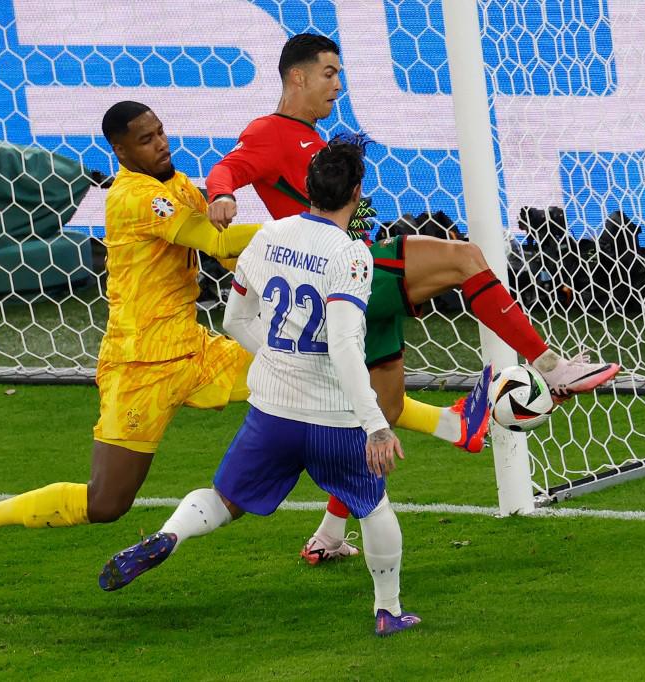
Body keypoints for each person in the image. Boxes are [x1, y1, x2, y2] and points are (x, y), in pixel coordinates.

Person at [204, 33, 621, 564]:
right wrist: (220, 194)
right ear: (297, 77)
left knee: (387, 408)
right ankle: (550, 364)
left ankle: (329, 535)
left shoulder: (310, 136)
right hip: (347, 271)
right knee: (466, 259)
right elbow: (228, 168)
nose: (338, 84)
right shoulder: (270, 132)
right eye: (329, 73)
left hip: (352, 282)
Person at [98, 138, 421, 637]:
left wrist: (272, 355)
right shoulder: (352, 255)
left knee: (224, 499)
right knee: (373, 505)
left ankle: (168, 535)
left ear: (308, 189)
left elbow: (234, 320)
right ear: (356, 193)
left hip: (272, 410)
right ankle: (389, 610)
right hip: (332, 417)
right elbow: (341, 343)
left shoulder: (269, 236)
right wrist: (376, 425)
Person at [0, 101, 262, 563]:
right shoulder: (133, 197)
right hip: (139, 366)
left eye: (160, 132)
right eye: (146, 139)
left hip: (194, 348)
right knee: (106, 503)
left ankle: (334, 523)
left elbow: (223, 256)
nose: (161, 144)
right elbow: (215, 240)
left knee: (303, 381)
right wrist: (306, 235)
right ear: (120, 150)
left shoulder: (176, 185)